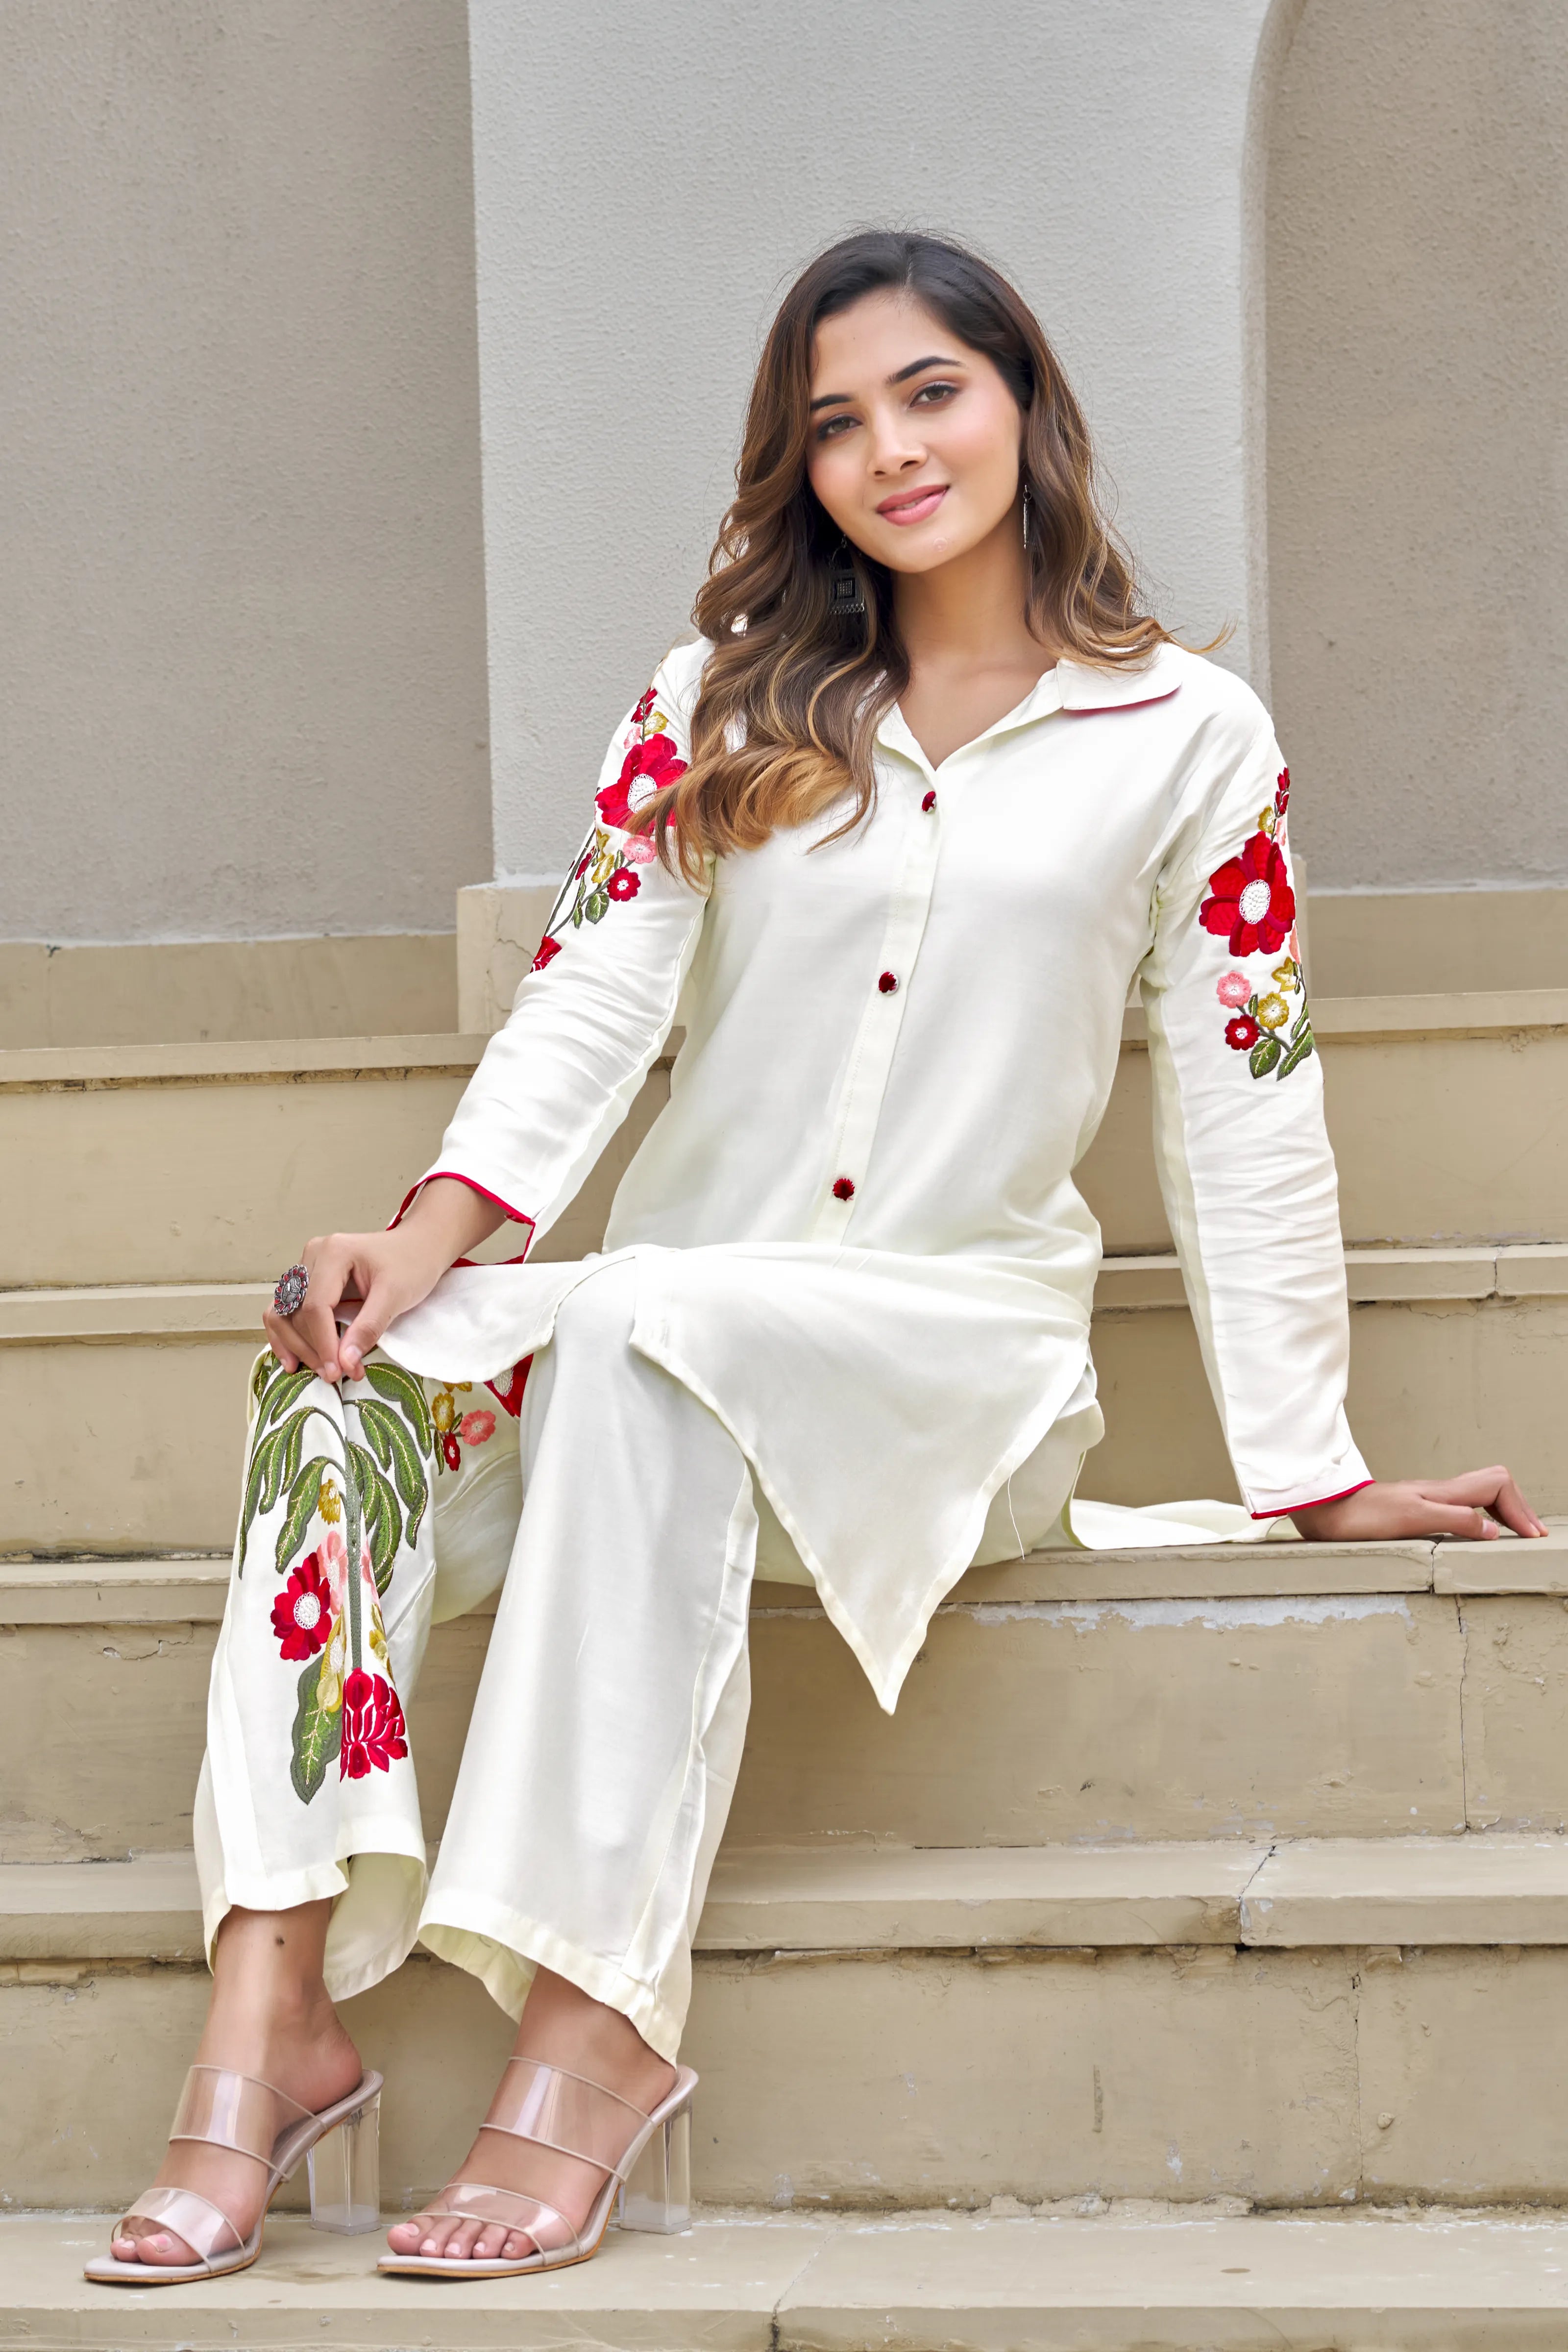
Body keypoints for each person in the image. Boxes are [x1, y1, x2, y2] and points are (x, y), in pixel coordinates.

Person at [88, 229, 1545, 2288]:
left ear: (1024, 403)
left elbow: (1246, 1097)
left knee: (651, 1323)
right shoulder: (716, 702)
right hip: (671, 1331)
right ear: (802, 466)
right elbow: (591, 1000)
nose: (891, 451)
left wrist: (1309, 1466)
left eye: (931, 392)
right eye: (837, 422)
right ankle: (272, 2016)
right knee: (349, 1382)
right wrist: (419, 1250)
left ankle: (594, 2033)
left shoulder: (1189, 734)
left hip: (950, 1358)